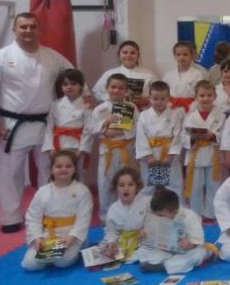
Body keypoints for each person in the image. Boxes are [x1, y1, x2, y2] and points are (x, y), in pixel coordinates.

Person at [0, 13, 73, 232]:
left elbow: (73, 75)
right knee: (10, 172)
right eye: (23, 27)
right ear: (15, 30)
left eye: (32, 27)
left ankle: (50, 212)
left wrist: (84, 95)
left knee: (49, 169)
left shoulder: (52, 56)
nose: (28, 31)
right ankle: (10, 217)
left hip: (45, 123)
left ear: (39, 29)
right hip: (12, 124)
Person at [20, 150, 92, 270]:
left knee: (61, 262)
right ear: (51, 170)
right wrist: (37, 238)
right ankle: (48, 256)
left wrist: (71, 238)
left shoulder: (82, 191)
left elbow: (83, 220)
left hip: (69, 237)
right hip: (47, 236)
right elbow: (33, 218)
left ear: (74, 169)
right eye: (59, 166)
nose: (63, 169)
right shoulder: (43, 191)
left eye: (68, 166)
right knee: (30, 264)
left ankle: (79, 248)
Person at [81, 73, 139, 222]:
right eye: (113, 87)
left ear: (126, 90)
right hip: (107, 151)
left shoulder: (131, 107)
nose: (116, 90)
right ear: (107, 88)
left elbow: (138, 127)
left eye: (120, 88)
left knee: (127, 182)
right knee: (105, 182)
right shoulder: (100, 109)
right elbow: (91, 129)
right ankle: (106, 216)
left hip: (126, 149)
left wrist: (121, 132)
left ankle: (129, 213)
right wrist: (105, 125)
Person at [133, 186, 211, 274]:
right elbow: (151, 236)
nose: (158, 218)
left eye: (161, 216)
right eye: (156, 215)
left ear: (173, 212)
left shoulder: (189, 216)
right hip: (164, 250)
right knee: (142, 250)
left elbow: (198, 240)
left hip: (185, 252)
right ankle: (164, 263)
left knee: (199, 254)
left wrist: (190, 245)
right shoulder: (158, 215)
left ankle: (162, 266)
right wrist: (145, 235)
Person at [182, 80, 226, 219]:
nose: (205, 98)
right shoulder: (189, 116)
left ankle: (212, 214)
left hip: (213, 155)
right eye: (202, 95)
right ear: (196, 97)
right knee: (195, 187)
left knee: (214, 185)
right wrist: (192, 139)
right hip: (196, 155)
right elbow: (183, 136)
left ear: (215, 96)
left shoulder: (221, 115)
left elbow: (225, 134)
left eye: (209, 95)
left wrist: (213, 136)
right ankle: (196, 214)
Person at [40, 69, 89, 186]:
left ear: (81, 86)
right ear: (61, 87)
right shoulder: (56, 104)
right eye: (65, 84)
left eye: (73, 84)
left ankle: (79, 197)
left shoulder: (86, 105)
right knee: (58, 176)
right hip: (58, 146)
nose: (69, 87)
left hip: (77, 147)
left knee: (77, 177)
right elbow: (49, 128)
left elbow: (88, 130)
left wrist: (81, 150)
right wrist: (50, 148)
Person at [136, 81, 184, 195]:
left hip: (168, 156)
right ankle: (149, 206)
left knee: (173, 186)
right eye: (155, 99)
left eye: (163, 99)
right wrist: (148, 156)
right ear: (149, 98)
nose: (159, 102)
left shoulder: (175, 114)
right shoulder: (144, 116)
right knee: (150, 188)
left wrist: (170, 155)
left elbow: (178, 136)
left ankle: (175, 206)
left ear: (169, 98)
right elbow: (141, 137)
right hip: (151, 155)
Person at [102, 167, 150, 263]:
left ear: (137, 187)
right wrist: (112, 242)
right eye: (121, 185)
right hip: (123, 241)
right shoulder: (113, 209)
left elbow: (155, 222)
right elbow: (111, 231)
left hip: (143, 240)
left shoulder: (147, 202)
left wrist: (147, 230)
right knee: (108, 252)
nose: (126, 188)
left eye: (130, 185)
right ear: (116, 188)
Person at [92, 40, 157, 109]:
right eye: (125, 52)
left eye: (132, 53)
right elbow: (96, 93)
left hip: (142, 112)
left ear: (138, 56)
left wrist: (148, 99)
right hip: (115, 112)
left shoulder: (148, 74)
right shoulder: (109, 73)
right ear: (119, 55)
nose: (128, 55)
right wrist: (113, 97)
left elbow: (160, 92)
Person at [163, 41, 207, 113]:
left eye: (185, 54)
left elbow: (201, 93)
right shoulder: (168, 75)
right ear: (175, 56)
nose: (182, 57)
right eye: (178, 54)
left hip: (191, 108)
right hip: (172, 107)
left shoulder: (198, 74)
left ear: (191, 56)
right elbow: (164, 93)